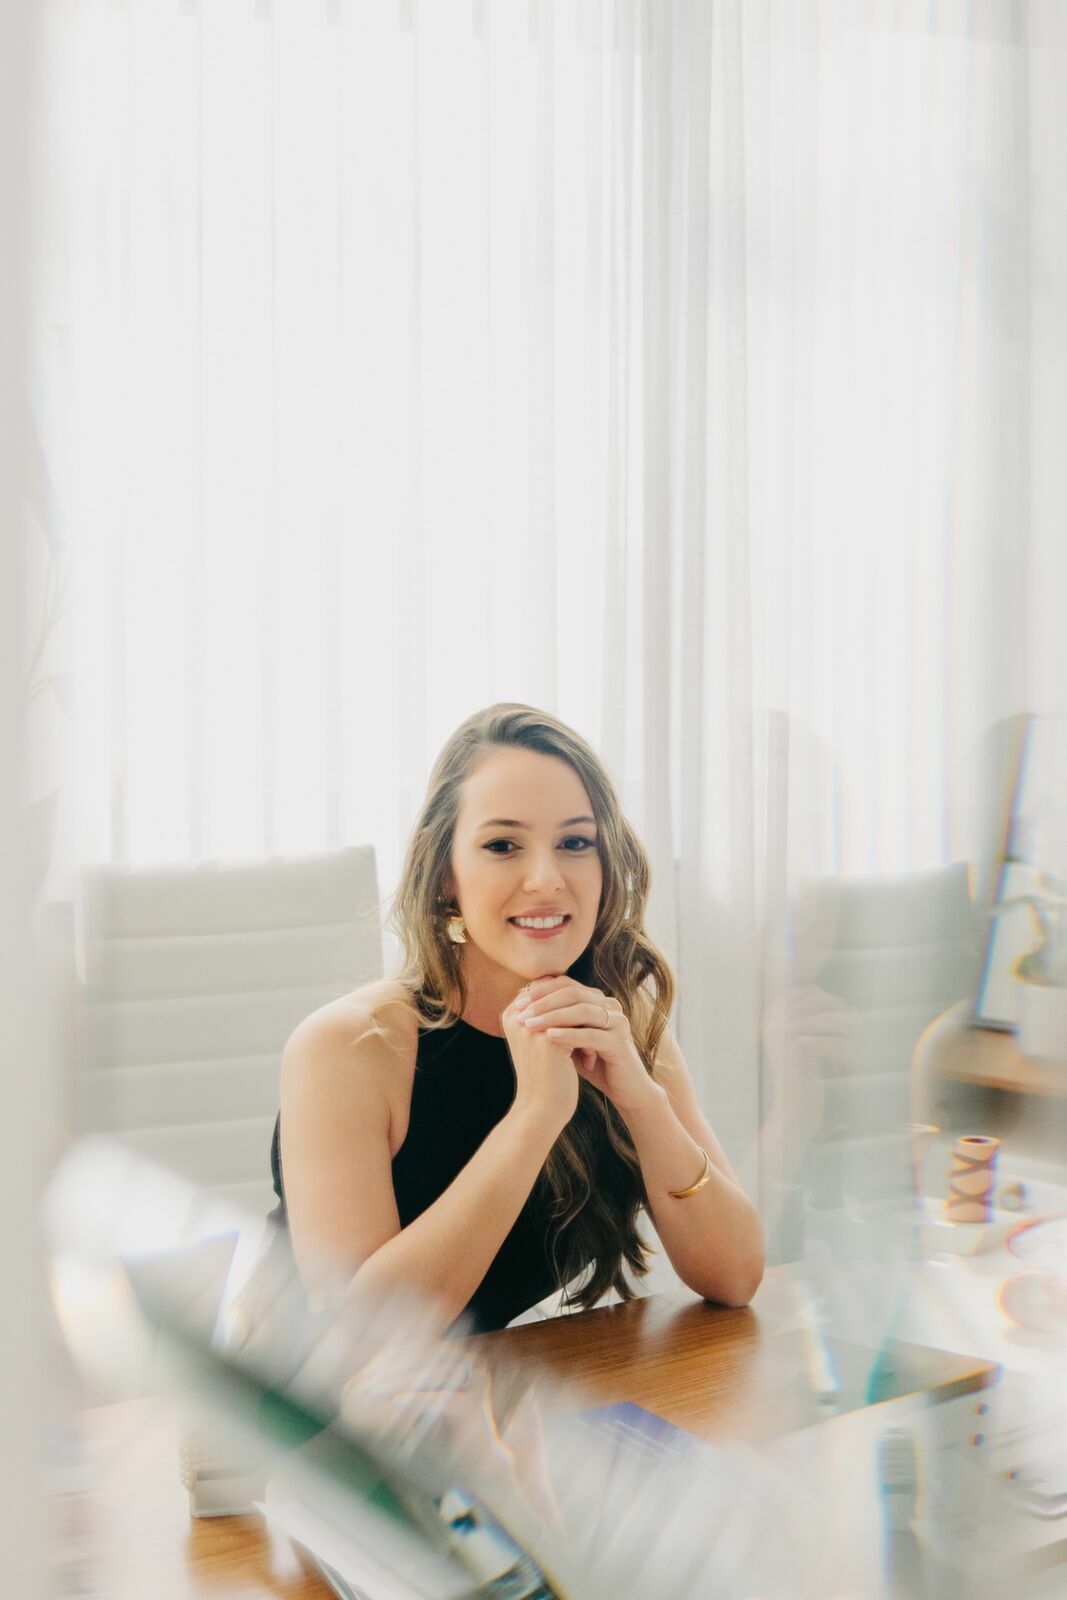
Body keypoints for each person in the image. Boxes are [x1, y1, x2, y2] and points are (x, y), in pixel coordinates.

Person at [270, 703, 764, 1333]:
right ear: (445, 875)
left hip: (483, 1382)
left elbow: (735, 1275)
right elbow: (362, 1335)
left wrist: (642, 1101)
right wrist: (534, 1116)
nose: (546, 879)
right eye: (502, 845)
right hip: (295, 1388)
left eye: (575, 843)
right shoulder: (351, 1046)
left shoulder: (619, 1021)